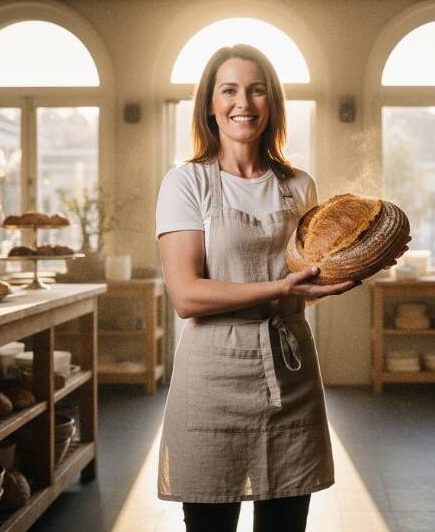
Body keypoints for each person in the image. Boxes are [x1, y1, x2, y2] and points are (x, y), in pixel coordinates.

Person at [155, 44, 404, 532]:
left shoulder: (299, 185)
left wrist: (355, 263)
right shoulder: (187, 183)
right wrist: (280, 288)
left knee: (286, 524)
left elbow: (313, 271)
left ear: (272, 102)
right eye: (229, 90)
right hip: (212, 377)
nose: (242, 103)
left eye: (256, 90)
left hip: (290, 372)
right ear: (210, 103)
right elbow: (186, 296)